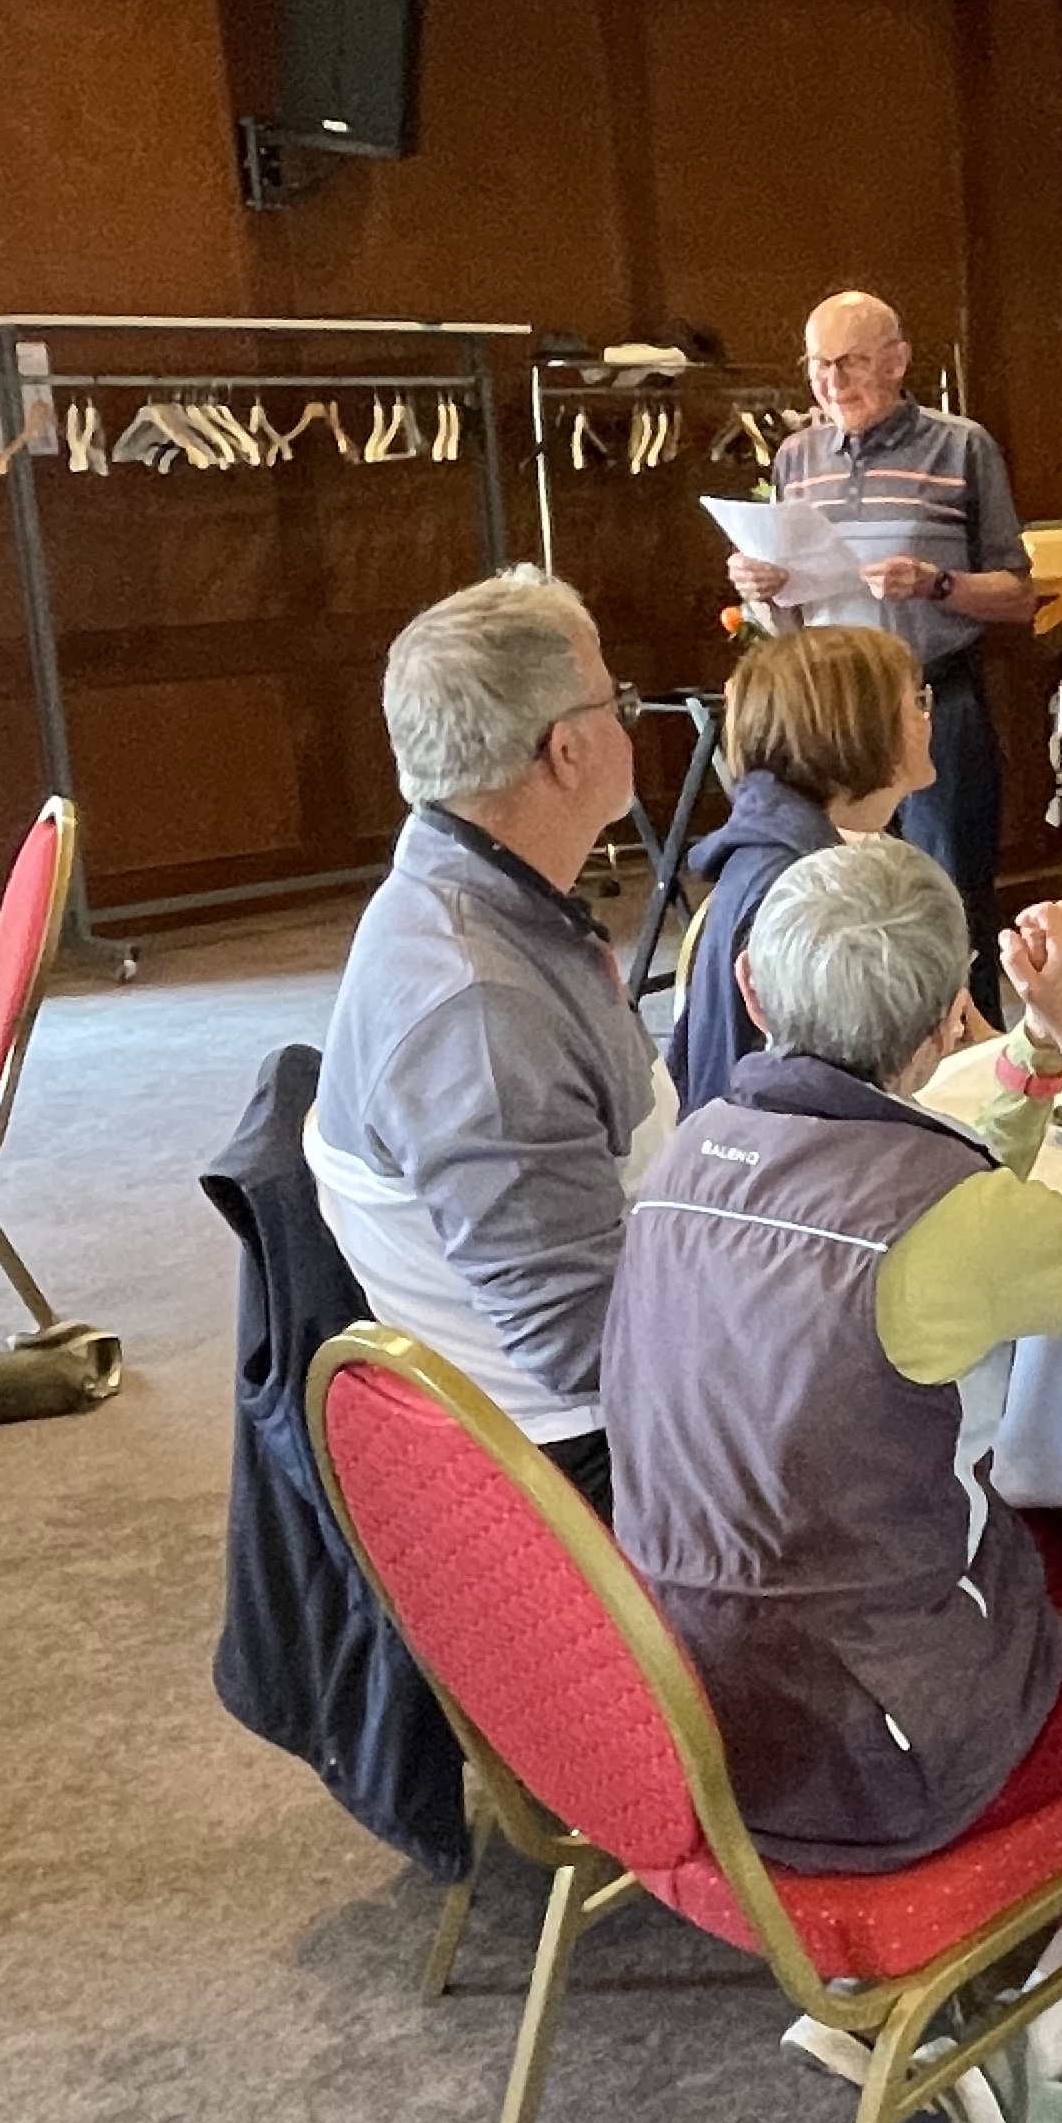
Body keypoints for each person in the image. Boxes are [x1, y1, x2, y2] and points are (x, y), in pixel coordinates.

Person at [604, 845, 1062, 2123]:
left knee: (1050, 1527)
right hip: (878, 1757)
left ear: (750, 988)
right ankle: (1060, 2023)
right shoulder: (951, 1218)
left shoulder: (696, 1143)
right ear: (944, 1021)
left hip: (677, 1703)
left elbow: (948, 1208)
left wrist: (1029, 1065)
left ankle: (927, 1989)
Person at [310, 569, 664, 1509]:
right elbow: (586, 1346)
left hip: (587, 1402)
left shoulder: (464, 892)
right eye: (618, 702)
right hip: (589, 1465)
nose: (630, 721)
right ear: (566, 751)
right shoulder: (483, 1017)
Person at [723, 289, 1036, 980]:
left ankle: (967, 1038)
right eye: (817, 365)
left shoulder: (961, 446)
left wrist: (935, 584)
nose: (831, 382)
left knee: (948, 898)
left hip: (932, 702)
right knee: (839, 898)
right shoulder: (796, 457)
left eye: (851, 363)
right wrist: (762, 590)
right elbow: (791, 614)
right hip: (828, 710)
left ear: (897, 361)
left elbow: (1018, 596)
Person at [664, 623, 930, 1115]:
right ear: (858, 727)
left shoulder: (790, 848)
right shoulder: (800, 885)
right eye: (914, 703)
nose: (926, 719)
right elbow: (834, 1082)